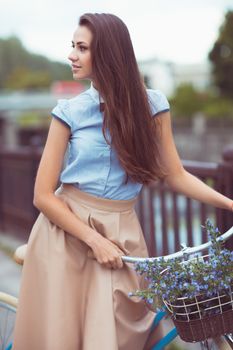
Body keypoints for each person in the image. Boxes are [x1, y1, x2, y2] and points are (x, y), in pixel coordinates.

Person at [12, 12, 233, 350]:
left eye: (82, 48)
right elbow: (43, 195)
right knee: (62, 337)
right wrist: (94, 240)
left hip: (123, 233)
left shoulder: (153, 105)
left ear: (108, 53)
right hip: (66, 233)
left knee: (118, 335)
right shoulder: (69, 112)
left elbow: (174, 175)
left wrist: (230, 204)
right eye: (73, 46)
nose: (71, 55)